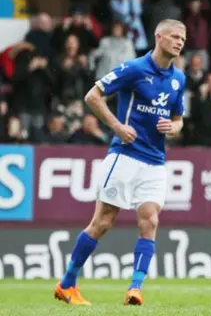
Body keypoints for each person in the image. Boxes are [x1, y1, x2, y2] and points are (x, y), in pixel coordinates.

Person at [53, 19, 187, 306]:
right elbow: (93, 96)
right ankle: (67, 283)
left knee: (150, 221)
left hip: (155, 162)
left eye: (183, 39)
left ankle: (135, 289)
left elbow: (179, 119)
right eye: (174, 37)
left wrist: (173, 128)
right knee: (102, 223)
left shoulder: (179, 79)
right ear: (158, 36)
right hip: (125, 156)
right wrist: (116, 126)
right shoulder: (134, 69)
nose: (179, 42)